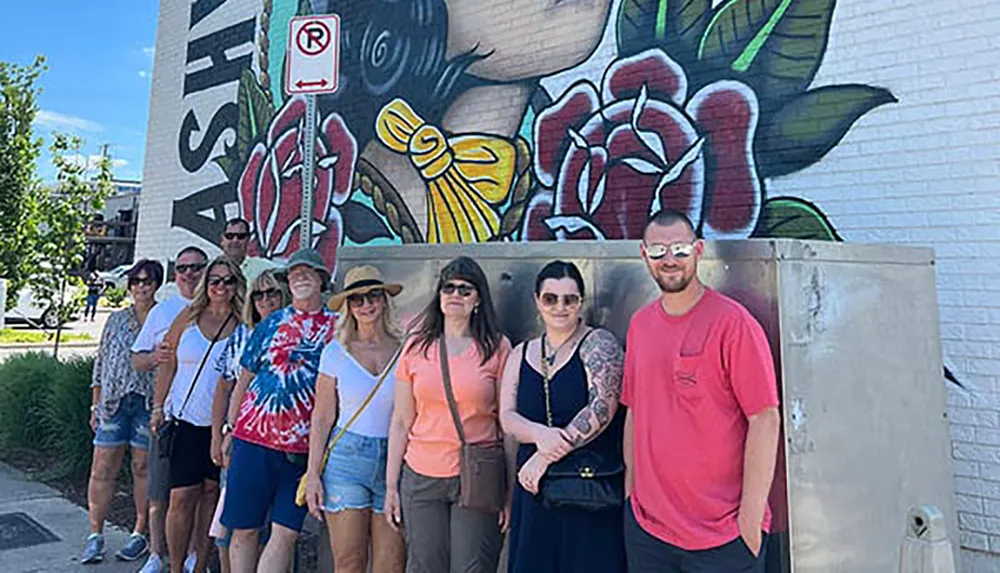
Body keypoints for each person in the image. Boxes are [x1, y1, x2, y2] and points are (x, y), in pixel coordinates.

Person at [622, 210, 781, 572]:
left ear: (698, 250)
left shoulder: (733, 324)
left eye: (679, 248)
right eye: (658, 250)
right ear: (644, 254)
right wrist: (632, 495)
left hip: (722, 537)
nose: (670, 259)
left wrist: (750, 520)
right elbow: (634, 409)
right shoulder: (640, 325)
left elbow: (765, 419)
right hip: (648, 532)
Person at [385, 256, 514, 573]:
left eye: (465, 289)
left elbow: (507, 425)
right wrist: (390, 486)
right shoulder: (415, 346)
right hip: (420, 475)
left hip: (476, 477)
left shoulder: (497, 348)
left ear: (478, 299)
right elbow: (401, 420)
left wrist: (510, 492)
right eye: (448, 287)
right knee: (424, 565)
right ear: (439, 296)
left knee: (471, 567)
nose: (455, 294)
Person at [499, 261, 627, 573]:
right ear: (537, 300)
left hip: (587, 489)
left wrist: (547, 455)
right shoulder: (520, 353)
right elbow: (507, 416)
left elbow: (603, 407)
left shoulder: (599, 343)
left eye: (570, 299)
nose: (560, 307)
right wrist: (541, 436)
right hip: (534, 491)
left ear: (581, 302)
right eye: (550, 298)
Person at [222, 248, 338, 573]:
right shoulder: (270, 323)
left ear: (321, 279)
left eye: (308, 271)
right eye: (294, 272)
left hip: (303, 451)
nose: (300, 276)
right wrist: (229, 431)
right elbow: (243, 379)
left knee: (285, 533)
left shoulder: (339, 328)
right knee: (243, 529)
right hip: (253, 441)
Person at [304, 265, 407, 573]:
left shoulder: (405, 349)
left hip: (395, 458)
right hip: (346, 460)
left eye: (373, 295)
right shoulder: (335, 352)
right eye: (357, 299)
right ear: (348, 306)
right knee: (349, 561)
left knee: (390, 564)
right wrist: (312, 475)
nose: (366, 304)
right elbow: (322, 417)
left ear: (384, 300)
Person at [151, 256, 245, 573]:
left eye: (228, 280)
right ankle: (176, 566)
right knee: (181, 497)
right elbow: (167, 362)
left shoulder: (243, 324)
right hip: (186, 420)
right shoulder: (188, 317)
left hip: (224, 427)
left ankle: (201, 563)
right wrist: (158, 406)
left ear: (236, 285)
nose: (220, 286)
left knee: (210, 495)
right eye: (214, 280)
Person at [80, 260, 165, 564]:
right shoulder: (115, 319)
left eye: (148, 281)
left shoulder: (164, 318)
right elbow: (101, 362)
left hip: (147, 403)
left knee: (142, 468)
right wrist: (96, 402)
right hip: (114, 402)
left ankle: (138, 533)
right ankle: (95, 534)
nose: (142, 286)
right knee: (102, 466)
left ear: (157, 285)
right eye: (136, 281)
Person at [132, 246, 208, 573]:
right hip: (170, 414)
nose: (189, 273)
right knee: (162, 489)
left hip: (207, 417)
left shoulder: (219, 308)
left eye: (196, 267)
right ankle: (156, 554)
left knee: (204, 492)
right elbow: (138, 359)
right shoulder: (163, 313)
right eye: (182, 268)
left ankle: (194, 554)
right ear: (174, 273)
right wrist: (156, 359)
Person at [208, 269, 290, 573]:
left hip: (285, 442)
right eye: (259, 294)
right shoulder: (242, 336)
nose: (266, 300)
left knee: (275, 528)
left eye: (272, 293)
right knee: (233, 521)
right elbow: (226, 385)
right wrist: (221, 434)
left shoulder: (296, 333)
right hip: (244, 438)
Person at [219, 217, 279, 284]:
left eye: (241, 236)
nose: (235, 240)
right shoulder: (210, 270)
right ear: (222, 239)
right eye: (230, 236)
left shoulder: (264, 268)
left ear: (248, 239)